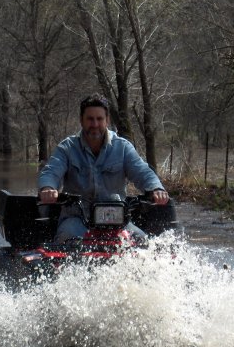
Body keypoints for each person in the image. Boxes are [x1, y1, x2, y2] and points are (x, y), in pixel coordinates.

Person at [38, 93, 169, 243]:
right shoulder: (67, 148)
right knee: (68, 239)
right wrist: (47, 188)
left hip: (117, 220)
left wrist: (156, 189)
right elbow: (51, 172)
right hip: (77, 219)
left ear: (107, 120)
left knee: (143, 243)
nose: (95, 124)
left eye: (99, 119)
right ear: (81, 120)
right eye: (90, 119)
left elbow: (142, 171)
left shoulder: (123, 147)